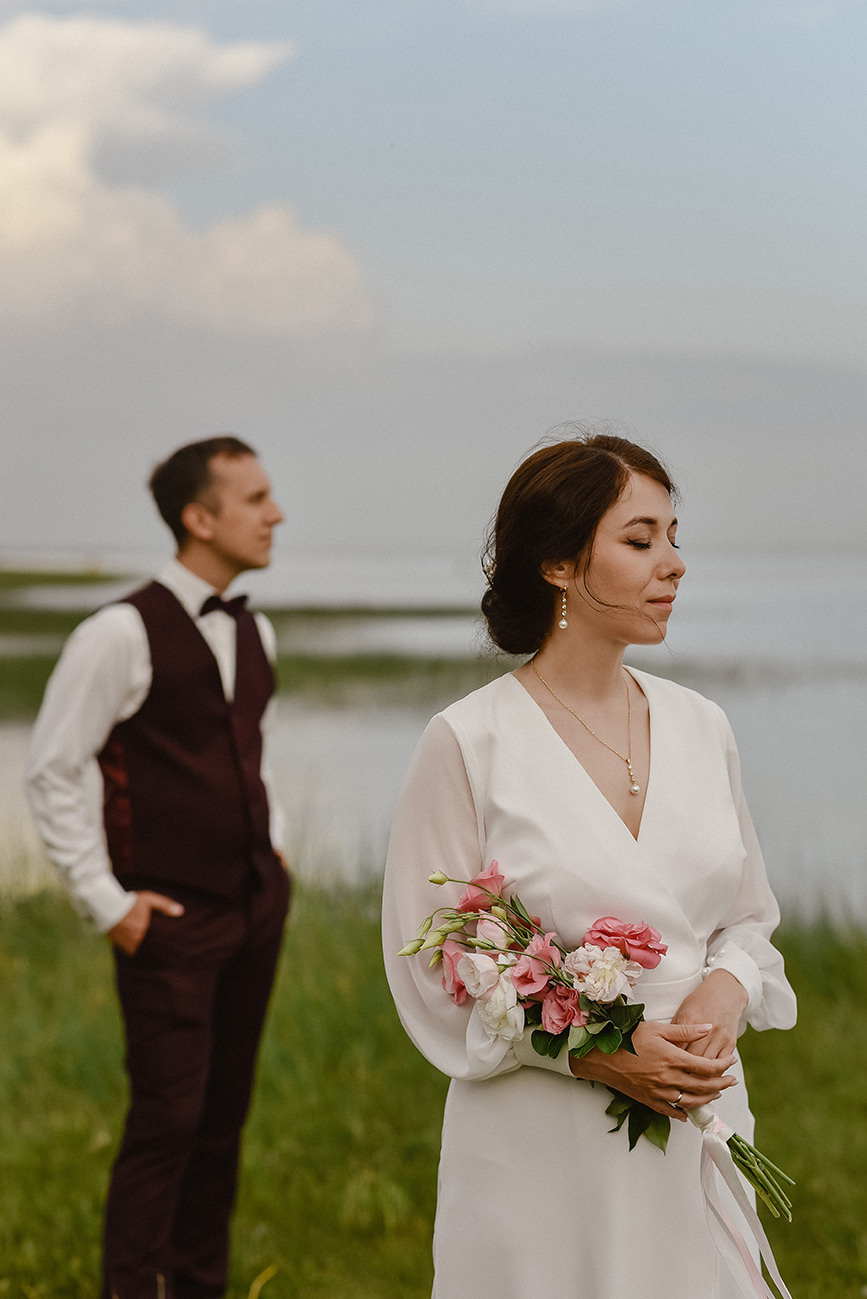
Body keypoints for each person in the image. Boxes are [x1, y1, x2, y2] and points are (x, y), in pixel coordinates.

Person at [382, 432, 797, 1299]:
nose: (673, 562)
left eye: (674, 537)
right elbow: (432, 962)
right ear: (558, 564)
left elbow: (747, 916)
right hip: (539, 1144)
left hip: (695, 1113)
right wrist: (596, 1052)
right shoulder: (468, 740)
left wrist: (727, 988)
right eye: (640, 540)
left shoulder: (702, 725)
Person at [25, 436, 291, 1299]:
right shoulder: (117, 632)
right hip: (168, 919)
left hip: (254, 905)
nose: (276, 514)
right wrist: (107, 903)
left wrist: (274, 844)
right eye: (255, 499)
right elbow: (53, 769)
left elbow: (252, 750)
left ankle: (199, 1287)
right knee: (166, 1123)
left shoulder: (255, 627)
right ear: (198, 517)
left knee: (222, 1119)